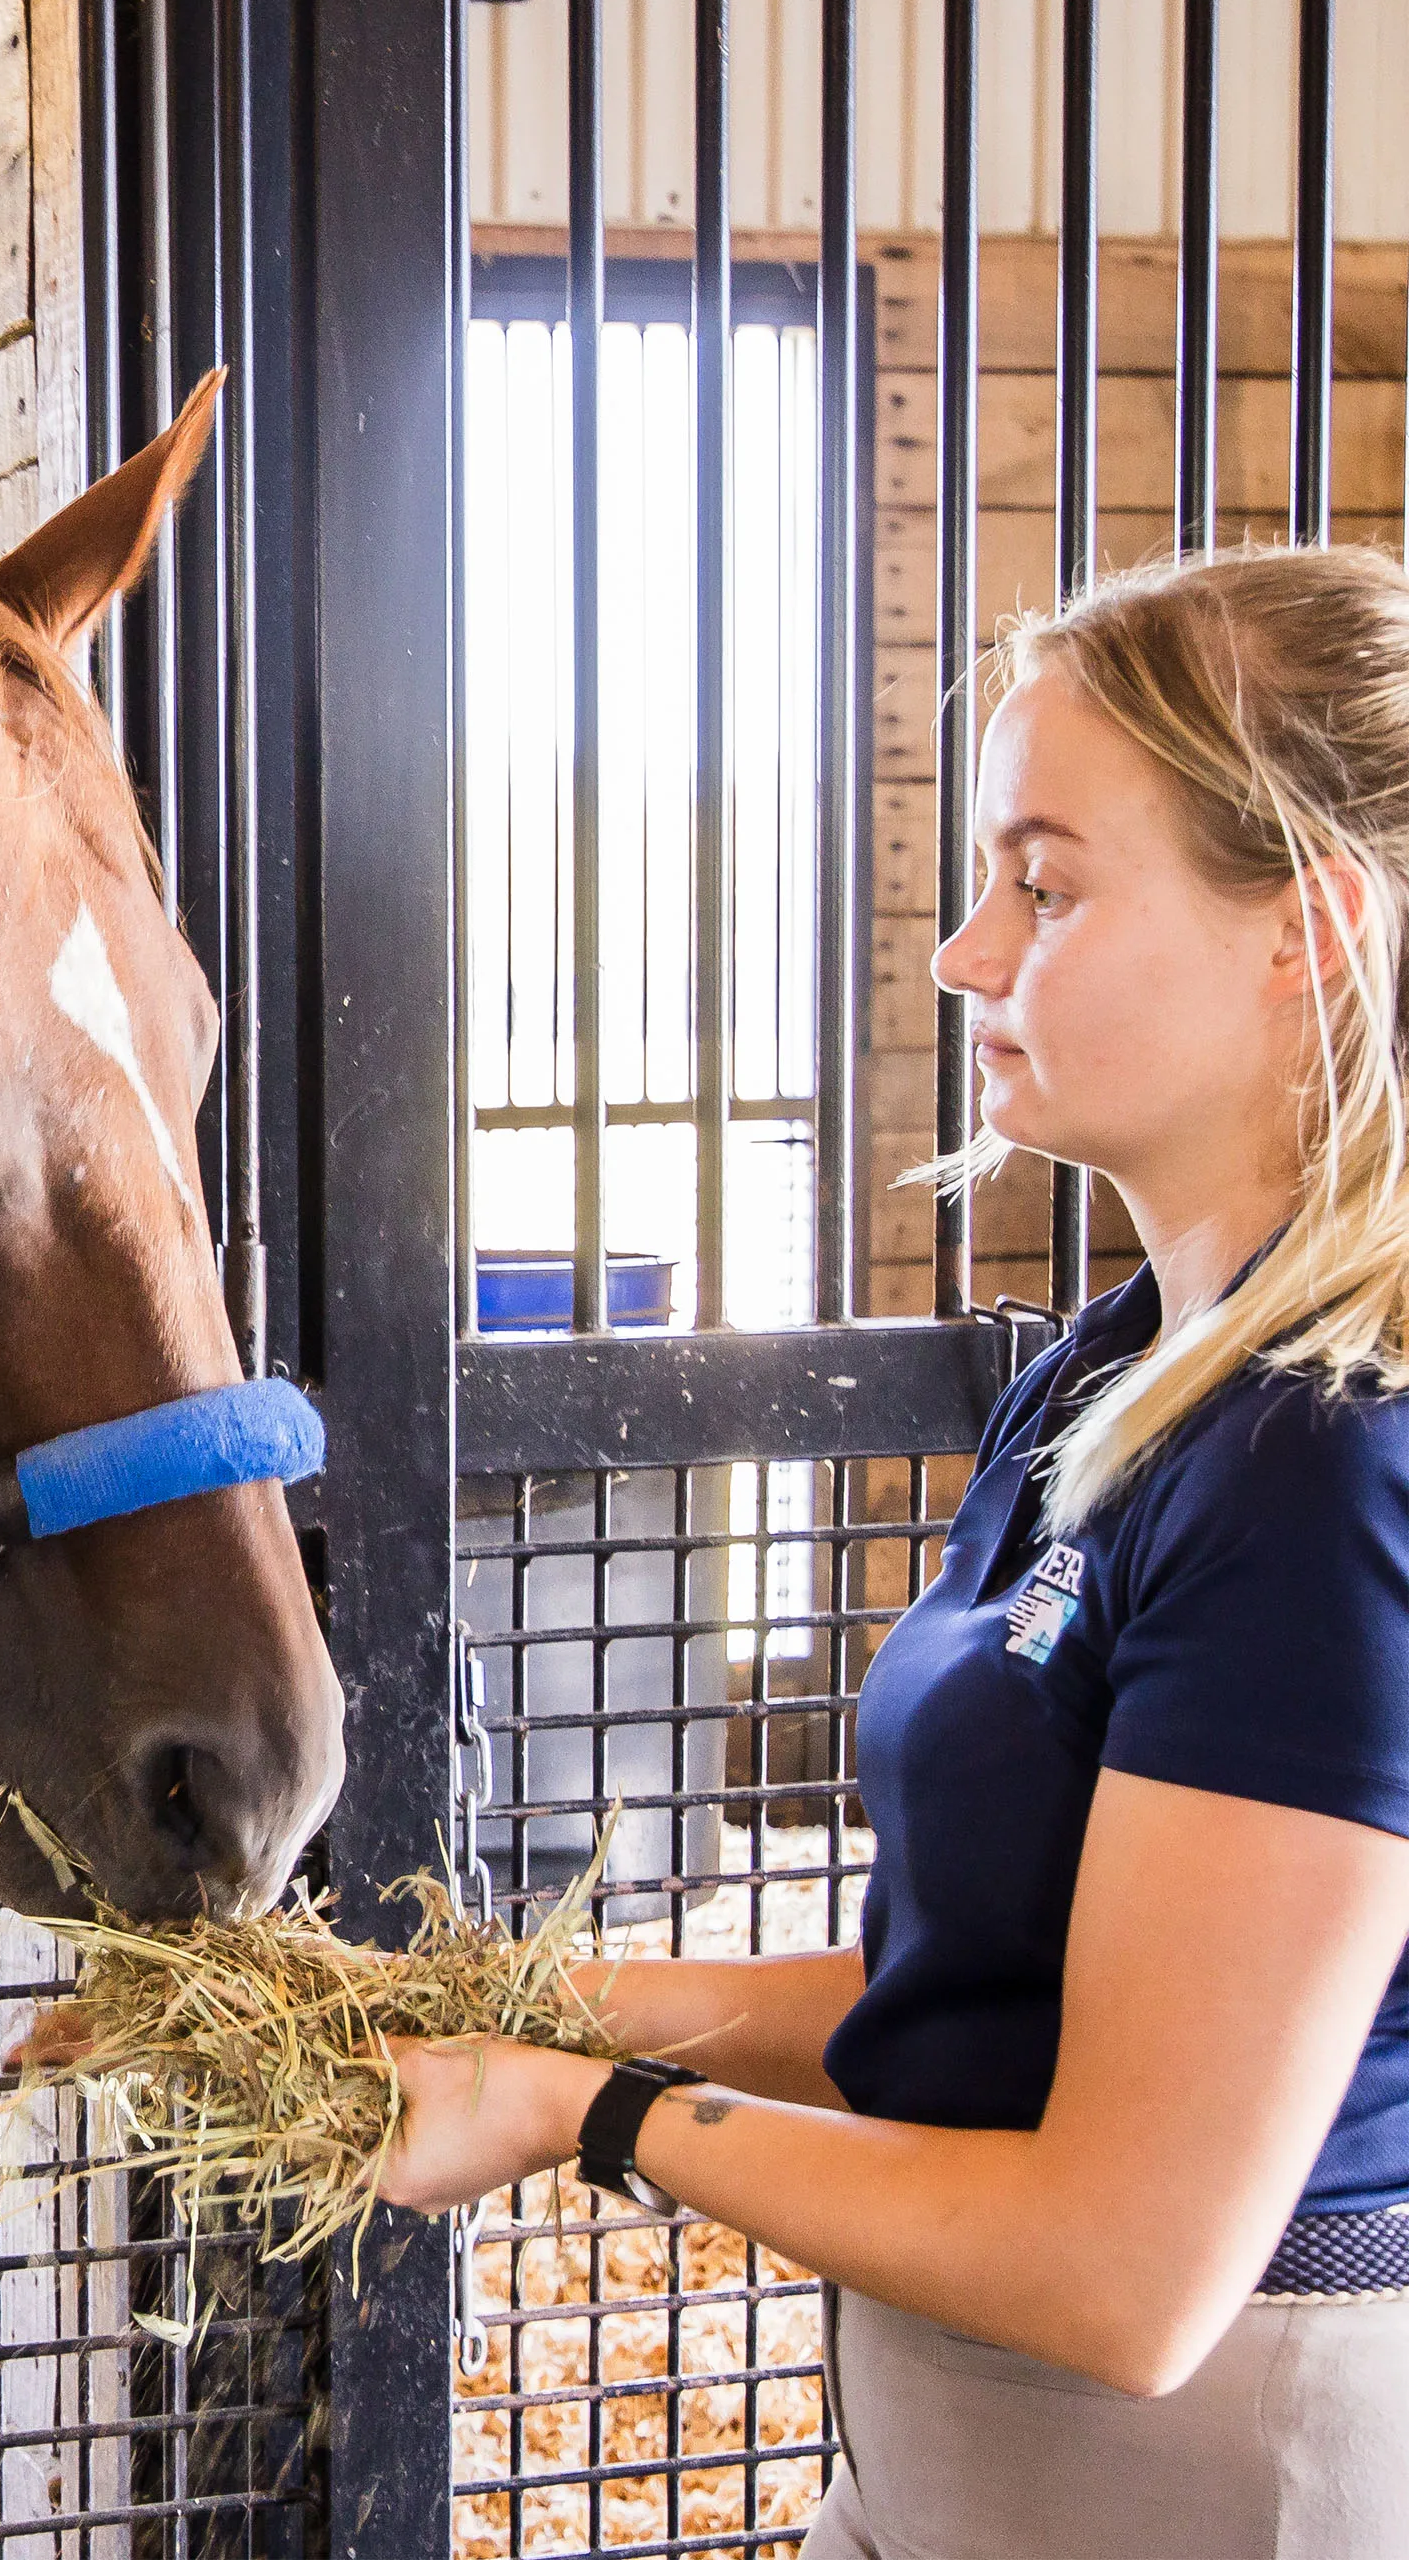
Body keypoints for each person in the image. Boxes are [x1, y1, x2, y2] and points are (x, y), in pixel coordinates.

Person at [380, 548, 1409, 2559]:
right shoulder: (1116, 1377)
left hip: (1210, 2472)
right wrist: (533, 1997)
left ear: (1303, 931)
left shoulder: (1325, 1468)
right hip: (951, 2456)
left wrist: (573, 2114)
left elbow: (1129, 2268)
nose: (958, 952)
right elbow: (985, 1991)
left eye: (1045, 880)